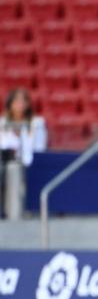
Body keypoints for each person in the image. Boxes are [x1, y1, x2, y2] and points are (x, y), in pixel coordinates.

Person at [0, 88, 47, 218]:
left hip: (29, 163)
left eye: (23, 101)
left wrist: (24, 134)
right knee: (9, 167)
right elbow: (3, 145)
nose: (20, 104)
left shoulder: (37, 123)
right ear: (10, 103)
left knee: (14, 169)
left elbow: (38, 147)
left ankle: (17, 213)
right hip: (6, 162)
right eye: (16, 101)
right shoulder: (3, 123)